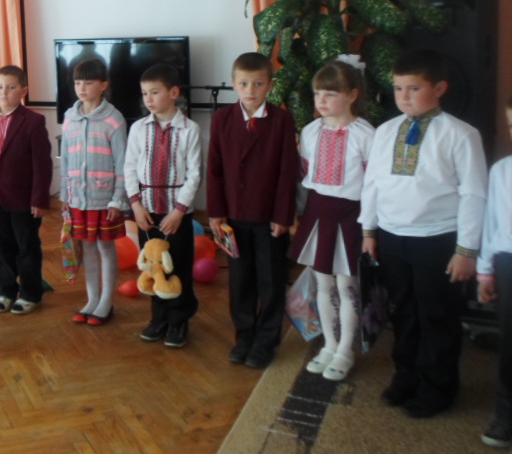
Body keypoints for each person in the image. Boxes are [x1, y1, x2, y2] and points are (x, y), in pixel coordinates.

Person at [361, 48, 487, 419]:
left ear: (439, 88)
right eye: (398, 88)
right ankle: (407, 375)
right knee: (402, 311)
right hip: (392, 236)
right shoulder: (385, 132)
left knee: (436, 314)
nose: (404, 97)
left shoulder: (461, 135)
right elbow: (373, 184)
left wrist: (466, 250)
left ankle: (437, 386)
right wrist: (369, 230)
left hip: (438, 239)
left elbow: (474, 193)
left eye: (414, 88)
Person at [208, 51, 299, 369]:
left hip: (268, 217)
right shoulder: (222, 119)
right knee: (240, 280)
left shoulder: (282, 120)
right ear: (234, 84)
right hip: (233, 217)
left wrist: (283, 216)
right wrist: (216, 212)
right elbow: (215, 169)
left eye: (258, 84)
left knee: (271, 281)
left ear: (270, 86)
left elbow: (287, 172)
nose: (251, 90)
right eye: (244, 83)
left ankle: (266, 341)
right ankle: (244, 337)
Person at [289, 58, 375, 381]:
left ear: (353, 95)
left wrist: (370, 226)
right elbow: (303, 178)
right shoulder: (310, 131)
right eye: (317, 94)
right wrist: (298, 213)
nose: (321, 101)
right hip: (318, 212)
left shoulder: (366, 135)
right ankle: (329, 344)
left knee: (347, 284)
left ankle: (346, 350)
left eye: (330, 94)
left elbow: (373, 185)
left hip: (351, 215)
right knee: (323, 283)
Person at [124, 63, 202, 348]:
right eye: (145, 93)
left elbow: (195, 174)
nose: (149, 99)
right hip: (147, 211)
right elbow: (129, 167)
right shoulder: (138, 129)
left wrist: (179, 211)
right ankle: (158, 318)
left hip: (175, 213)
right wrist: (136, 206)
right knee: (152, 265)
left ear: (174, 93)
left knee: (178, 265)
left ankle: (179, 320)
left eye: (155, 92)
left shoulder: (190, 130)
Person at [0, 65, 53, 315]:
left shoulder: (33, 121)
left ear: (23, 91)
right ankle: (6, 290)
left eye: (10, 87)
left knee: (26, 246)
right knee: (4, 246)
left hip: (24, 199)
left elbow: (42, 165)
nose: (4, 92)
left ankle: (31, 293)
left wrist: (39, 198)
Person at [60, 58, 129, 326]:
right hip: (79, 199)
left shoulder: (114, 119)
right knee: (87, 247)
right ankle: (92, 299)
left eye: (88, 83)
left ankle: (106, 302)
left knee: (105, 247)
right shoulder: (69, 118)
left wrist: (118, 200)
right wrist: (65, 195)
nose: (82, 88)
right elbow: (65, 160)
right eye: (78, 82)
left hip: (105, 199)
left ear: (103, 86)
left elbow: (122, 163)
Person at [477, 95, 512, 448]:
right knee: (510, 341)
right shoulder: (502, 171)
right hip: (508, 262)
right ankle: (506, 412)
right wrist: (485, 271)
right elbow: (493, 224)